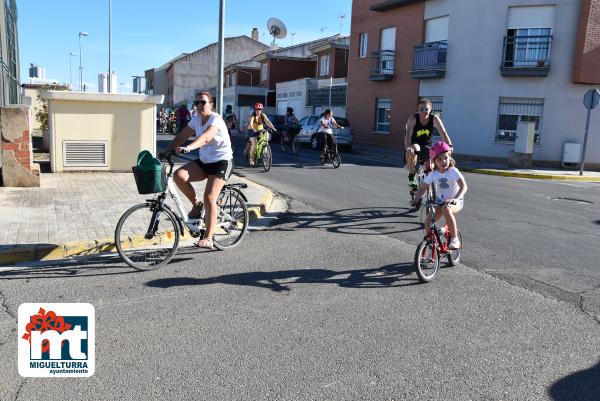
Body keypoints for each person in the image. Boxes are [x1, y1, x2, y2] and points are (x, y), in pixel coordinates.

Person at [164, 92, 233, 249]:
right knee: (179, 175)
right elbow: (182, 135)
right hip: (205, 161)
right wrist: (167, 151)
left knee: (209, 197)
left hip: (222, 162)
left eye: (203, 102)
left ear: (211, 105)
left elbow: (206, 138)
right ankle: (196, 205)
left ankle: (208, 237)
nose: (199, 105)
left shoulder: (216, 119)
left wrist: (188, 148)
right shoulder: (196, 119)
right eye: (197, 103)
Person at [410, 141, 467, 250]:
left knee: (446, 208)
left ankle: (455, 239)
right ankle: (430, 241)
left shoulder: (453, 171)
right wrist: (416, 199)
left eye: (445, 158)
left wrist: (455, 199)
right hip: (440, 202)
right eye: (439, 159)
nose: (443, 161)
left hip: (456, 201)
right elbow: (422, 187)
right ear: (434, 161)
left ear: (449, 157)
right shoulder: (433, 174)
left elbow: (463, 186)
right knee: (427, 221)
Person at [405, 98, 452, 190]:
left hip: (428, 145)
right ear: (418, 110)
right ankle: (411, 176)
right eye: (421, 109)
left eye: (426, 109)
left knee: (433, 163)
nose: (423, 112)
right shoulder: (412, 119)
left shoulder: (434, 119)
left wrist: (449, 146)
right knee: (415, 149)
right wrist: (408, 148)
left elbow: (443, 133)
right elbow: (407, 136)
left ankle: (431, 187)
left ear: (430, 110)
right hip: (414, 144)